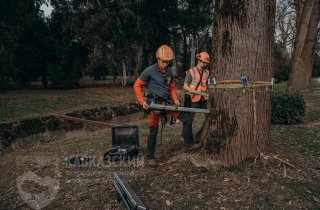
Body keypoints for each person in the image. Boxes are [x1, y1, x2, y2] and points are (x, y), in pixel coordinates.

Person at [133, 44, 180, 167]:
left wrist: (175, 99)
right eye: (163, 61)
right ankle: (150, 157)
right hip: (153, 105)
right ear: (158, 58)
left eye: (167, 62)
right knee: (153, 130)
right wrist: (141, 100)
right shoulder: (149, 70)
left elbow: (172, 87)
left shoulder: (170, 72)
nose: (165, 64)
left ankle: (190, 144)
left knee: (185, 116)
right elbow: (137, 85)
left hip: (166, 103)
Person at [182, 52, 210, 146]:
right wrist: (195, 92)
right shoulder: (191, 72)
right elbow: (185, 86)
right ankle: (188, 142)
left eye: (206, 63)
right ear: (199, 60)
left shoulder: (207, 72)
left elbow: (206, 85)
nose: (205, 64)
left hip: (203, 99)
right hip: (193, 98)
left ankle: (207, 137)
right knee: (189, 120)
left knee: (209, 115)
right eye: (203, 62)